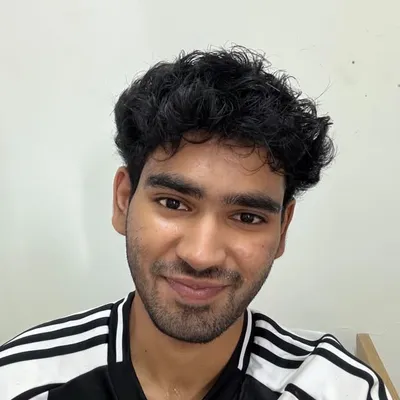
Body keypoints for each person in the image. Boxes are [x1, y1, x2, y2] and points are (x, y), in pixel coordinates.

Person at [0, 46, 392, 400]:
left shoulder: (341, 390)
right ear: (123, 200)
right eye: (173, 203)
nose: (201, 256)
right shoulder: (19, 383)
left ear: (282, 230)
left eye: (247, 217)